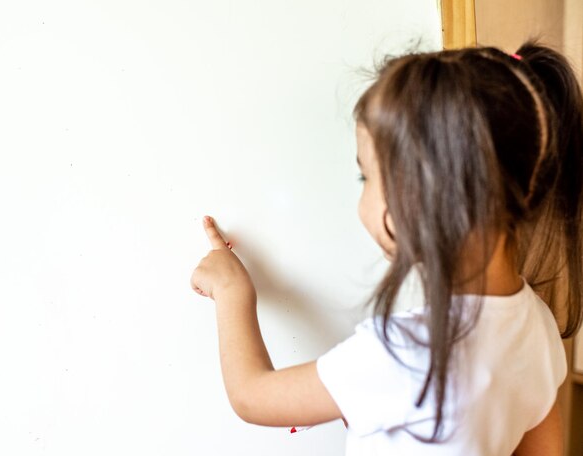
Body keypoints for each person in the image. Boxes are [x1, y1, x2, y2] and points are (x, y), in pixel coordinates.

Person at [190, 41, 583, 455]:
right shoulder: (537, 324)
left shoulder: (402, 357)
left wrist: (232, 290)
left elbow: (252, 396)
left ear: (423, 198)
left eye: (367, 178)